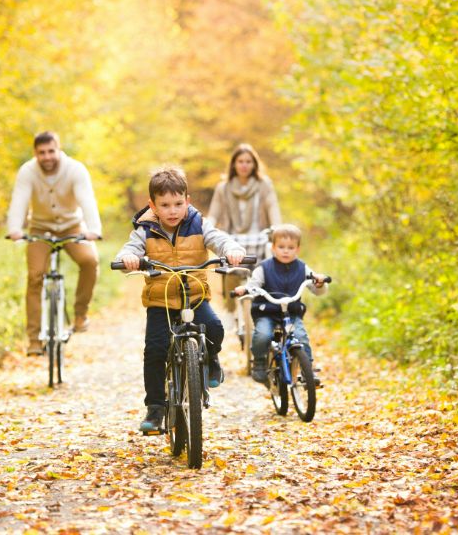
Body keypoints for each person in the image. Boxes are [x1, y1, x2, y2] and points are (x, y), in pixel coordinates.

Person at [115, 167, 246, 434]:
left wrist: (231, 249)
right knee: (155, 350)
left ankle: (211, 359)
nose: (172, 211)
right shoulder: (145, 229)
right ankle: (155, 408)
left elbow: (217, 239)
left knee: (215, 327)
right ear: (153, 206)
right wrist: (129, 259)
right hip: (160, 300)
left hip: (194, 295)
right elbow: (130, 249)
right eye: (164, 205)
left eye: (178, 204)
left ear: (188, 201)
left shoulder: (199, 223)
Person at [7, 131, 102, 356]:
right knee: (35, 276)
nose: (47, 156)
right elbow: (19, 200)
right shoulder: (27, 171)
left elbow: (87, 200)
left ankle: (80, 314)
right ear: (35, 154)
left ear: (58, 149)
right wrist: (15, 229)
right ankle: (33, 339)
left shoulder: (75, 169)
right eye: (42, 153)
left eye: (51, 151)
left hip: (72, 226)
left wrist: (94, 229)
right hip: (40, 228)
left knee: (89, 260)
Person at [233, 224, 328, 384]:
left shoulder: (302, 268)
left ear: (297, 249)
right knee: (262, 335)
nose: (286, 251)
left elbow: (316, 287)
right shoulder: (264, 268)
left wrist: (319, 283)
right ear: (273, 248)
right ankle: (260, 362)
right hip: (267, 312)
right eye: (281, 247)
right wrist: (246, 289)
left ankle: (308, 370)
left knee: (301, 337)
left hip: (291, 314)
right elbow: (254, 284)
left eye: (291, 247)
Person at [207, 143, 282, 313]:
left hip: (259, 237)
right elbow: (214, 214)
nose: (244, 165)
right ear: (234, 164)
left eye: (248, 161)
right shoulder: (223, 188)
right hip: (232, 238)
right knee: (229, 263)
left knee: (264, 270)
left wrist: (277, 229)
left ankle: (263, 308)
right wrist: (205, 228)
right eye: (240, 161)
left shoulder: (264, 185)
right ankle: (231, 309)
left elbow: (273, 209)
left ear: (254, 164)